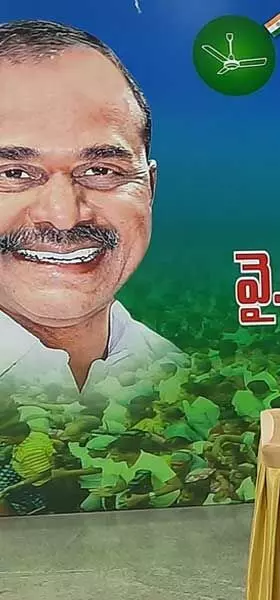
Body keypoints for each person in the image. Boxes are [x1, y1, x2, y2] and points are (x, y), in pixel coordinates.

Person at [0, 20, 183, 395]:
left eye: (100, 170)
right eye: (14, 173)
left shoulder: (179, 376)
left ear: (150, 189)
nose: (64, 217)